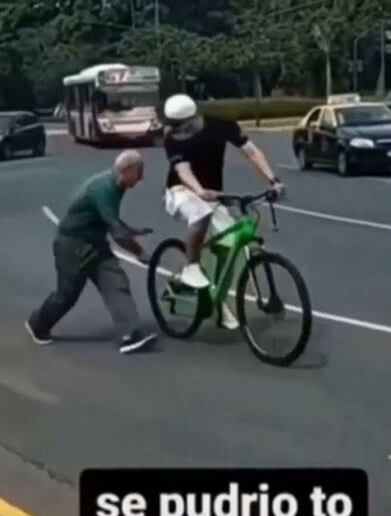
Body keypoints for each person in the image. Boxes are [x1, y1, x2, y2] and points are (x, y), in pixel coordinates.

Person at [160, 94, 282, 329]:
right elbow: (183, 171)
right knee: (200, 214)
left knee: (230, 246)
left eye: (182, 126)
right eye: (173, 126)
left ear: (194, 117)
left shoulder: (220, 125)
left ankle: (219, 304)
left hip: (214, 194)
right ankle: (192, 267)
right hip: (180, 191)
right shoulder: (172, 139)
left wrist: (272, 179)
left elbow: (251, 152)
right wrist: (199, 190)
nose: (177, 131)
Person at [27, 151, 157, 354]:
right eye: (139, 172)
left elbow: (111, 221)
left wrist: (133, 230)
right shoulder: (103, 188)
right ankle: (38, 323)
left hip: (95, 243)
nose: (141, 178)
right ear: (127, 169)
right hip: (72, 244)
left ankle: (130, 334)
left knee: (116, 283)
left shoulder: (117, 185)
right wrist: (140, 253)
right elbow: (117, 232)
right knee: (67, 295)